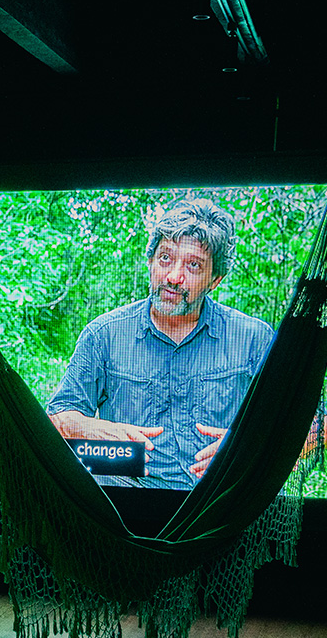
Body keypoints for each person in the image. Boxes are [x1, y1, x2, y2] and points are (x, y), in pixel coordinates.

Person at [47, 199, 275, 489]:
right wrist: (94, 428)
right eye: (165, 258)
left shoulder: (253, 338)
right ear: (150, 261)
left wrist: (248, 446)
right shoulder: (103, 334)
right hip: (123, 509)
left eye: (193, 265)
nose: (173, 277)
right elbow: (56, 419)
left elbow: (315, 423)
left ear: (215, 280)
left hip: (220, 508)